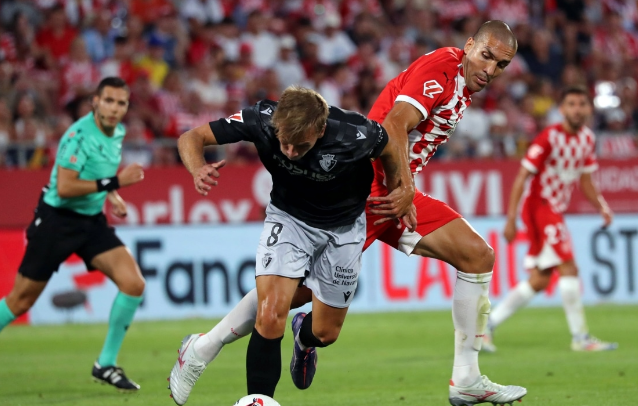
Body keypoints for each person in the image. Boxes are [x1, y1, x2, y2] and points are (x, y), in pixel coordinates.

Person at [169, 20, 527, 406]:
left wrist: (405, 189)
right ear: (470, 45)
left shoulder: (461, 81)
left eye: (500, 65)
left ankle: (466, 380)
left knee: (477, 256)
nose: (490, 70)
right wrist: (403, 188)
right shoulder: (440, 69)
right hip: (371, 191)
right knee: (290, 292)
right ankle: (204, 348)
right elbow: (393, 126)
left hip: (395, 192)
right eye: (486, 56)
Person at [171, 85, 413, 401]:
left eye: (300, 146)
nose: (289, 152)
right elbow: (191, 138)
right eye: (284, 142)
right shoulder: (260, 118)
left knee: (326, 333)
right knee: (271, 313)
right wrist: (197, 168)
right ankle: (259, 399)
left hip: (344, 229)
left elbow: (390, 147)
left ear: (321, 129)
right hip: (289, 220)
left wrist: (403, 188)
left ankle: (304, 335)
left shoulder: (355, 133)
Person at [0, 77, 146, 401]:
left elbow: (96, 173)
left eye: (121, 103)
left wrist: (112, 195)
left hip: (91, 222)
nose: (114, 108)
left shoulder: (118, 132)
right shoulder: (78, 136)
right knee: (20, 301)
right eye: (108, 101)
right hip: (57, 221)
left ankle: (106, 363)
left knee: (134, 283)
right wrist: (117, 182)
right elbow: (66, 187)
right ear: (95, 102)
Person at [482, 86, 617, 353]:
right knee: (569, 268)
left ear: (589, 109)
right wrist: (511, 219)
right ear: (562, 109)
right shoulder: (549, 138)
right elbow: (522, 177)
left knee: (541, 279)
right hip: (540, 207)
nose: (577, 109)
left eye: (581, 104)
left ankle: (486, 327)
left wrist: (601, 206)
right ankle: (580, 338)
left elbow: (586, 180)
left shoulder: (587, 139)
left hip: (553, 209)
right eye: (571, 104)